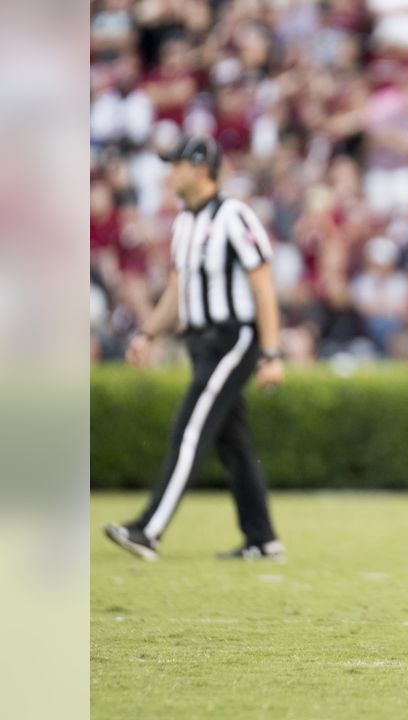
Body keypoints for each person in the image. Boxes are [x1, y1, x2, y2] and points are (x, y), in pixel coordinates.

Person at [103, 135, 286, 562]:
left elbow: (264, 289)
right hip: (200, 343)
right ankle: (262, 539)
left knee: (189, 429)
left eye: (176, 164)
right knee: (233, 443)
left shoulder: (234, 216)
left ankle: (149, 529)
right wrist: (148, 333)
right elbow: (177, 288)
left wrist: (272, 353)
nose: (169, 173)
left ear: (200, 166)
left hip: (233, 338)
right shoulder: (184, 222)